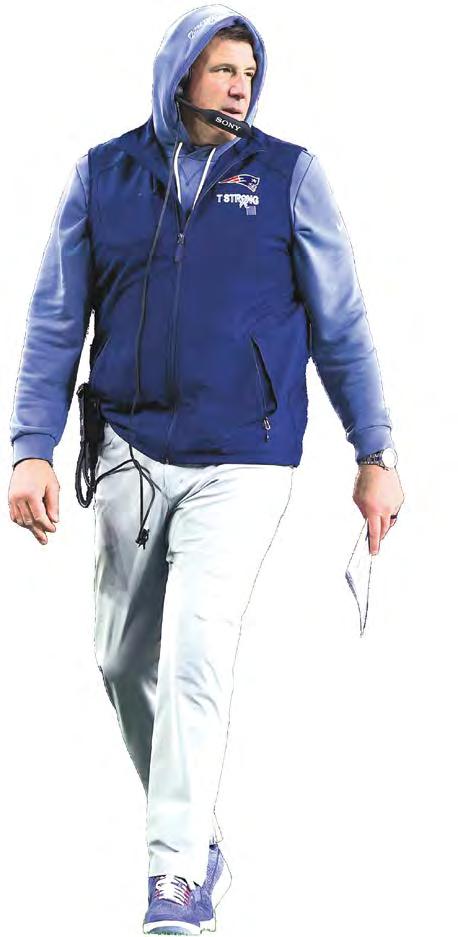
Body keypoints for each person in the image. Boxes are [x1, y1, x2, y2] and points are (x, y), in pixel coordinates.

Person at [8, 4, 404, 934]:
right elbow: (55, 319)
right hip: (129, 450)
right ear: (179, 73)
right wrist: (31, 446)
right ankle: (196, 836)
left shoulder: (289, 177)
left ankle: (175, 878)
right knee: (120, 658)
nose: (239, 89)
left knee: (196, 647)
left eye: (248, 75)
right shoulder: (104, 175)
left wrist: (375, 450)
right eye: (222, 70)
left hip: (245, 454)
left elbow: (342, 321)